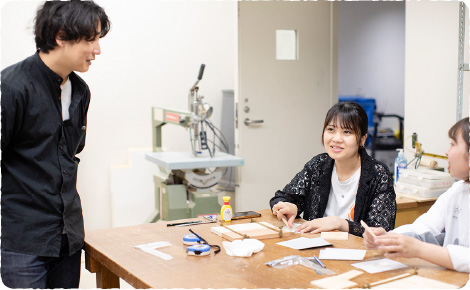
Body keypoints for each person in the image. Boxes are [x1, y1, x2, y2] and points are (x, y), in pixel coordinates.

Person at [1, 1, 110, 288]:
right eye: (91, 39)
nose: (97, 49)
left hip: (68, 236)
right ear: (61, 36)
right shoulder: (11, 88)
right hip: (23, 240)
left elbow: (70, 154)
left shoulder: (81, 91)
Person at [270, 102, 396, 237]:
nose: (336, 139)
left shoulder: (378, 174)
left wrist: (340, 223)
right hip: (314, 247)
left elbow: (381, 231)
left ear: (362, 139)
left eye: (347, 132)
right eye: (331, 130)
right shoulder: (318, 165)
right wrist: (290, 206)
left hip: (356, 252)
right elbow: (282, 197)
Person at [363, 117, 469, 273]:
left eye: (453, 144)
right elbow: (425, 227)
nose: (447, 151)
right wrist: (388, 238)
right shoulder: (458, 191)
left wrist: (419, 249)